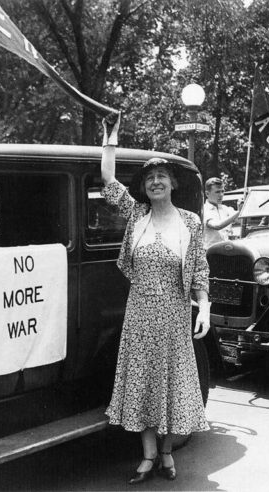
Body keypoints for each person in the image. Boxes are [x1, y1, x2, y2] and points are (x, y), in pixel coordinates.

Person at [100, 115, 210, 484]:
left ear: (172, 183)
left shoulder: (190, 223)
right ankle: (148, 456)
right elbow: (109, 183)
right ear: (145, 188)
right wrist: (110, 142)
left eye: (162, 177)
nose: (156, 182)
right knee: (143, 385)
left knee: (173, 386)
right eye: (150, 179)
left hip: (175, 318)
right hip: (140, 316)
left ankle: (167, 453)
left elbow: (199, 270)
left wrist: (205, 307)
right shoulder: (137, 216)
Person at [203, 176, 240, 247]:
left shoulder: (227, 209)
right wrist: (238, 212)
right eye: (217, 192)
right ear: (207, 194)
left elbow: (241, 221)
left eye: (222, 191)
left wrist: (242, 208)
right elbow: (217, 226)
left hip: (227, 250)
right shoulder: (204, 210)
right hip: (211, 253)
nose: (221, 195)